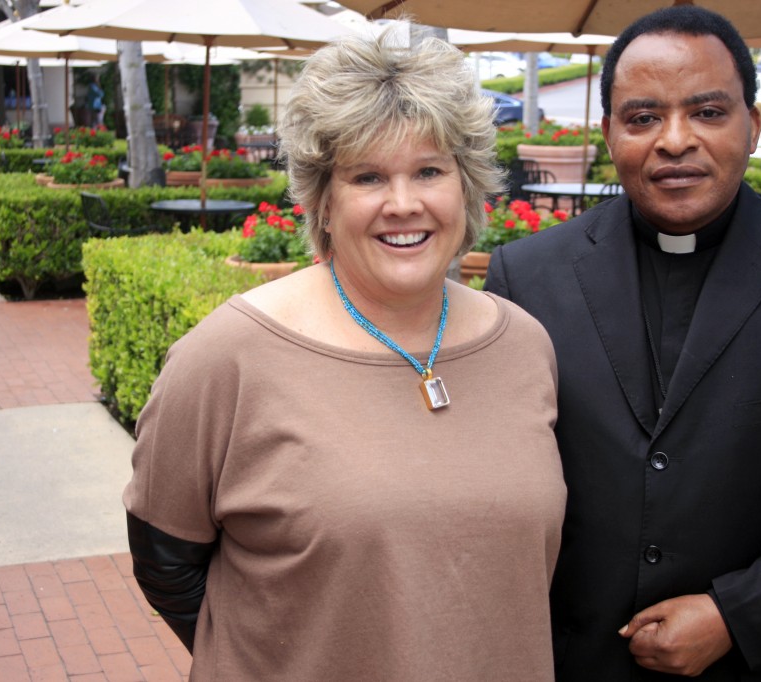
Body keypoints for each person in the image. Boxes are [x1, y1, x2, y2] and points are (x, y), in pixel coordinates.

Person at [124, 26, 566, 681]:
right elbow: (166, 561)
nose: (403, 204)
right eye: (367, 176)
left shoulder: (525, 345)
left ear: (467, 188)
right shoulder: (227, 358)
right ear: (322, 202)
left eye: (429, 171)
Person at [486, 5, 761, 681]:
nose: (674, 140)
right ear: (609, 133)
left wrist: (739, 615)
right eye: (642, 118)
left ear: (752, 126)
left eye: (708, 112)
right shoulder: (527, 276)